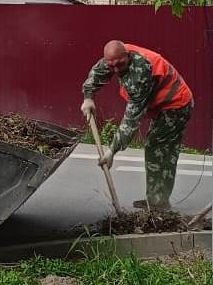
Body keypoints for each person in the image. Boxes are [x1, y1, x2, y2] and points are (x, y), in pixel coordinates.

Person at [81, 40, 194, 211]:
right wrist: (88, 97)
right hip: (162, 105)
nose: (116, 70)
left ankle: (158, 203)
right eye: (112, 66)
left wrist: (112, 150)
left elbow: (132, 117)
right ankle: (156, 198)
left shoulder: (141, 70)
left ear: (128, 56)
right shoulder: (114, 59)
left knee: (159, 148)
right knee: (156, 147)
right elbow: (97, 73)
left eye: (120, 64)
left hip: (176, 104)